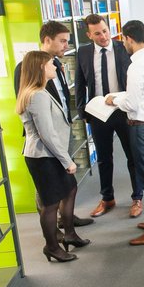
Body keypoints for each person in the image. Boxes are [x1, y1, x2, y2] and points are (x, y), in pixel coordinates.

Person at [13, 21, 93, 235]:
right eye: (62, 40)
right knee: (48, 191)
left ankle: (66, 220)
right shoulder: (27, 67)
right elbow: (30, 105)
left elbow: (63, 97)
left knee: (65, 185)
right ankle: (53, 231)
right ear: (47, 40)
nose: (66, 45)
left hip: (59, 132)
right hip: (43, 138)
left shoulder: (56, 63)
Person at [105, 20, 144, 246]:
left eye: (123, 39)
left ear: (129, 39)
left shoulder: (136, 66)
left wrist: (114, 99)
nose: (123, 43)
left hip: (141, 127)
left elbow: (132, 103)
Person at [75, 14, 144, 219]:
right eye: (97, 33)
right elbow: (80, 84)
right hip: (98, 113)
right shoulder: (83, 52)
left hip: (123, 110)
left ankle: (137, 197)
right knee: (104, 159)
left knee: (133, 156)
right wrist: (83, 112)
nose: (104, 36)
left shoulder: (124, 48)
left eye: (105, 31)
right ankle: (107, 198)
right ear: (89, 35)